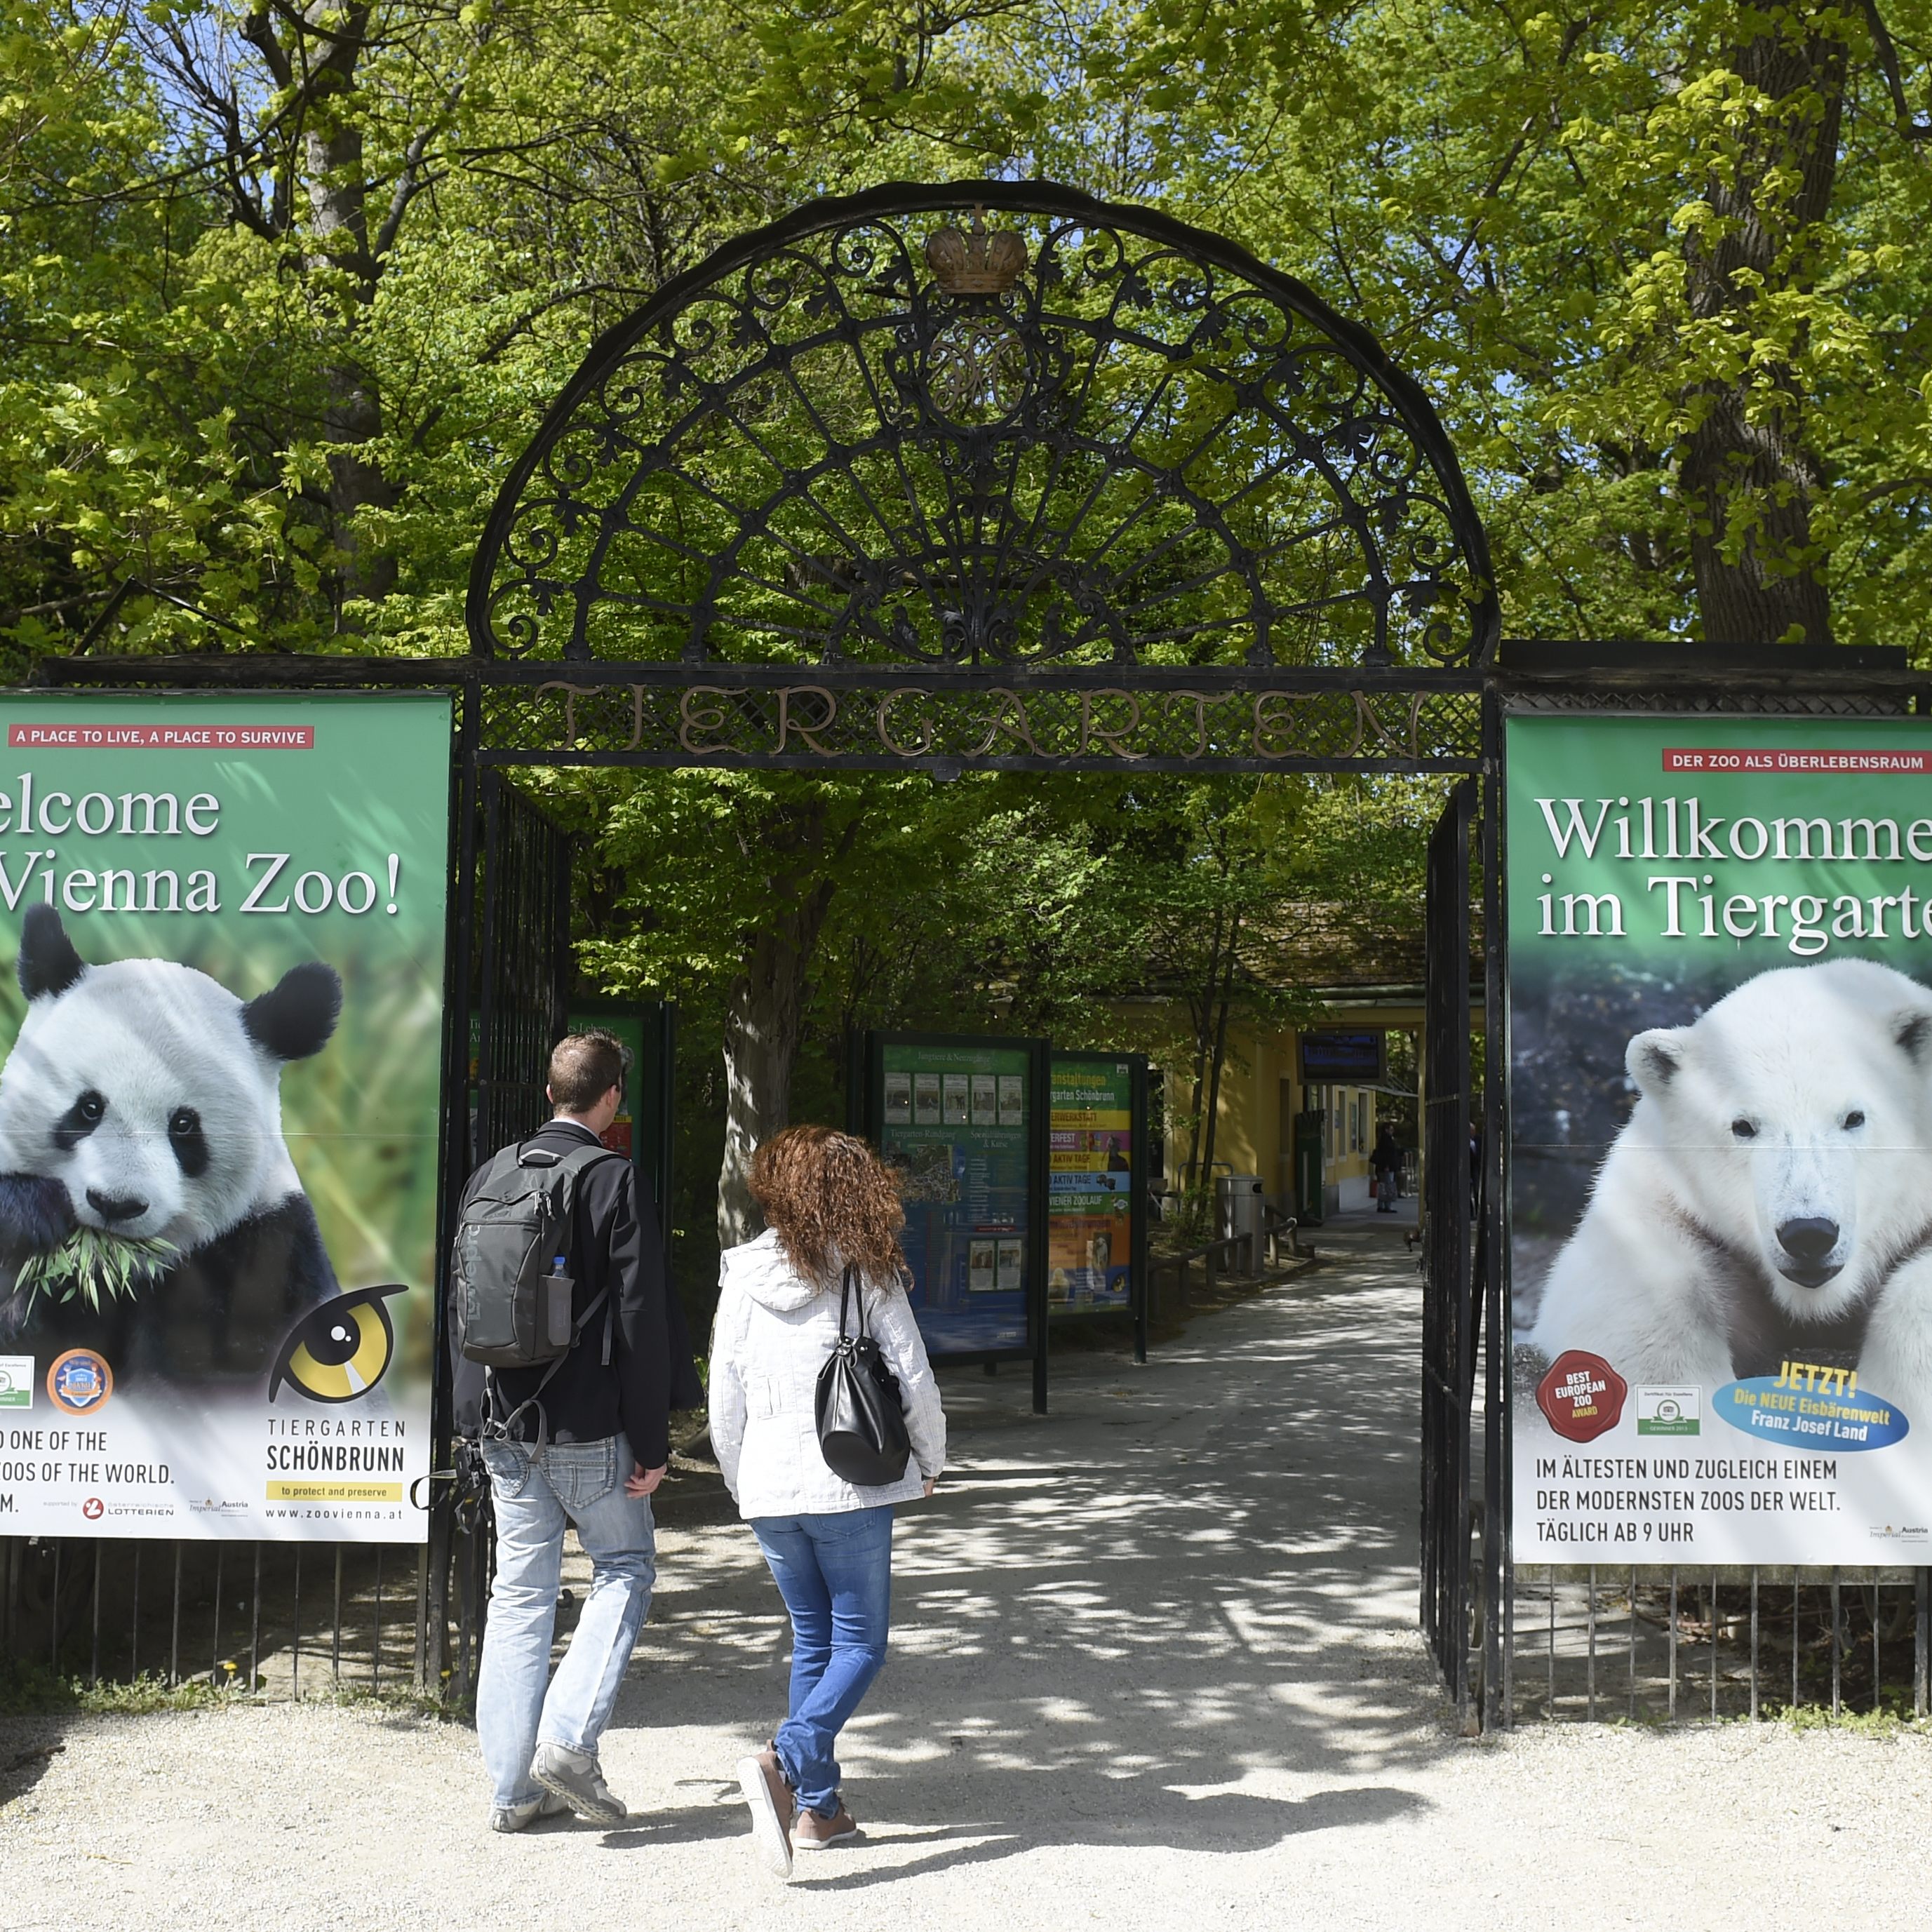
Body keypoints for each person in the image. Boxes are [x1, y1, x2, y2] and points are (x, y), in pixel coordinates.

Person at [452, 1028, 699, 1833]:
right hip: (588, 1424)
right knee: (624, 1566)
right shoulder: (611, 1179)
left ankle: (510, 1791)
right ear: (611, 1097)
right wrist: (653, 1441)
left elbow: (459, 1302)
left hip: (502, 1422)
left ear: (549, 1093)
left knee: (518, 1594)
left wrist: (470, 1419)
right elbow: (640, 1316)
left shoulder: (491, 1173)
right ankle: (567, 1740)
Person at [709, 1126, 946, 1878]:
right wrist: (932, 1459)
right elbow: (913, 1378)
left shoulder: (741, 1275)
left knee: (815, 1643)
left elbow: (725, 1396)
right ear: (853, 1191)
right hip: (850, 1485)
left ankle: (820, 1810)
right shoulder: (865, 1274)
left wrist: (740, 1479)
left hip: (770, 1488)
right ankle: (787, 1757)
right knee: (861, 1646)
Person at [1371, 1126, 1403, 1212]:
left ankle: (1381, 1205)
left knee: (1382, 1186)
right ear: (1386, 1130)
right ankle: (1387, 1206)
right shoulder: (1387, 1141)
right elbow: (1388, 1154)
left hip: (1382, 1167)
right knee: (1388, 1186)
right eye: (1391, 1130)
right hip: (1387, 1167)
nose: (1393, 1131)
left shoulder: (1382, 1140)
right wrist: (1387, 1166)